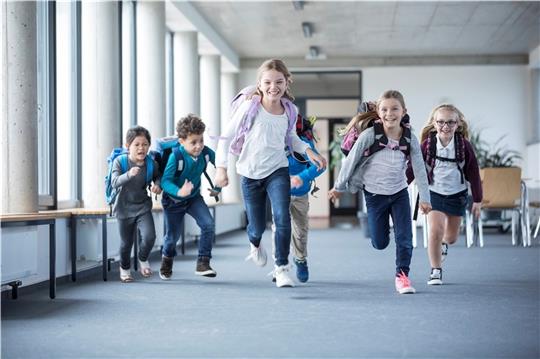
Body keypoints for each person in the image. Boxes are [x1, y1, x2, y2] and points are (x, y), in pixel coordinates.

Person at [214, 59, 326, 288]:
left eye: (279, 81)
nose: (273, 86)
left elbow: (291, 138)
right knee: (255, 227)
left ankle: (282, 268)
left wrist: (308, 151)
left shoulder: (289, 110)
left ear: (287, 83)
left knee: (282, 219)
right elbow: (225, 137)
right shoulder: (249, 107)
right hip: (250, 173)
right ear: (259, 84)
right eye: (267, 82)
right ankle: (254, 244)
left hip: (278, 170)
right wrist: (221, 168)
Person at [328, 90, 431, 294]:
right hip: (374, 196)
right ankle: (387, 230)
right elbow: (351, 161)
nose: (389, 113)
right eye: (384, 109)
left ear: (404, 112)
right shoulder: (370, 135)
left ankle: (402, 277)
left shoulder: (409, 138)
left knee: (405, 237)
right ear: (378, 112)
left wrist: (425, 198)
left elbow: (419, 168)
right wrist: (339, 187)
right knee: (380, 242)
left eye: (394, 109)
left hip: (399, 192)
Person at [412, 104, 482, 285]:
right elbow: (415, 168)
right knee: (435, 231)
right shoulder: (427, 145)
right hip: (433, 193)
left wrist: (478, 199)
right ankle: (435, 270)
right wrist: (397, 187)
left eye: (450, 122)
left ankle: (443, 245)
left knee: (450, 237)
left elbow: (473, 172)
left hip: (457, 194)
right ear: (434, 123)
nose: (445, 126)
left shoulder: (464, 145)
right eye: (441, 122)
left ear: (458, 124)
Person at [159, 114, 218, 280]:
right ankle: (167, 259)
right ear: (181, 141)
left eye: (201, 140)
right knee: (172, 238)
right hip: (173, 201)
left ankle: (203, 262)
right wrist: (179, 192)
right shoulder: (175, 157)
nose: (198, 146)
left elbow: (220, 164)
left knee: (208, 224)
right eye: (193, 142)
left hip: (193, 198)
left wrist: (218, 186)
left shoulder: (206, 153)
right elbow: (165, 181)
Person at [271, 115, 325, 283]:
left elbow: (319, 166)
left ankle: (300, 259)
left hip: (300, 194)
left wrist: (302, 177)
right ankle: (279, 266)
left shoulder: (305, 144)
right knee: (279, 228)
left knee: (300, 230)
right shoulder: (275, 143)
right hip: (280, 193)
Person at [111, 126, 162, 283]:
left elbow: (158, 176)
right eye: (137, 144)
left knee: (149, 236)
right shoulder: (120, 161)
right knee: (126, 243)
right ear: (128, 146)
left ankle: (143, 258)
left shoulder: (151, 164)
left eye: (145, 144)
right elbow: (114, 182)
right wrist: (129, 174)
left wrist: (158, 186)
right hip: (123, 207)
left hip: (142, 206)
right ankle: (125, 269)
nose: (141, 148)